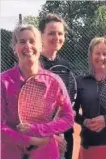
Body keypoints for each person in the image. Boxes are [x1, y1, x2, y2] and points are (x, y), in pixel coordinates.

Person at [1, 24, 74, 159]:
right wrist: (32, 140)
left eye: (32, 41)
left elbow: (68, 118)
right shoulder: (3, 81)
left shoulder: (54, 81)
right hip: (11, 154)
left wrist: (38, 130)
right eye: (22, 42)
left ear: (41, 46)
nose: (28, 46)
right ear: (14, 48)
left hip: (47, 153)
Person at [38, 13, 73, 159]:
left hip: (65, 136)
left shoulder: (66, 66)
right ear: (41, 36)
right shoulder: (33, 64)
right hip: (39, 139)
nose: (56, 37)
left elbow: (69, 104)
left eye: (60, 33)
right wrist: (51, 136)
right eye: (51, 33)